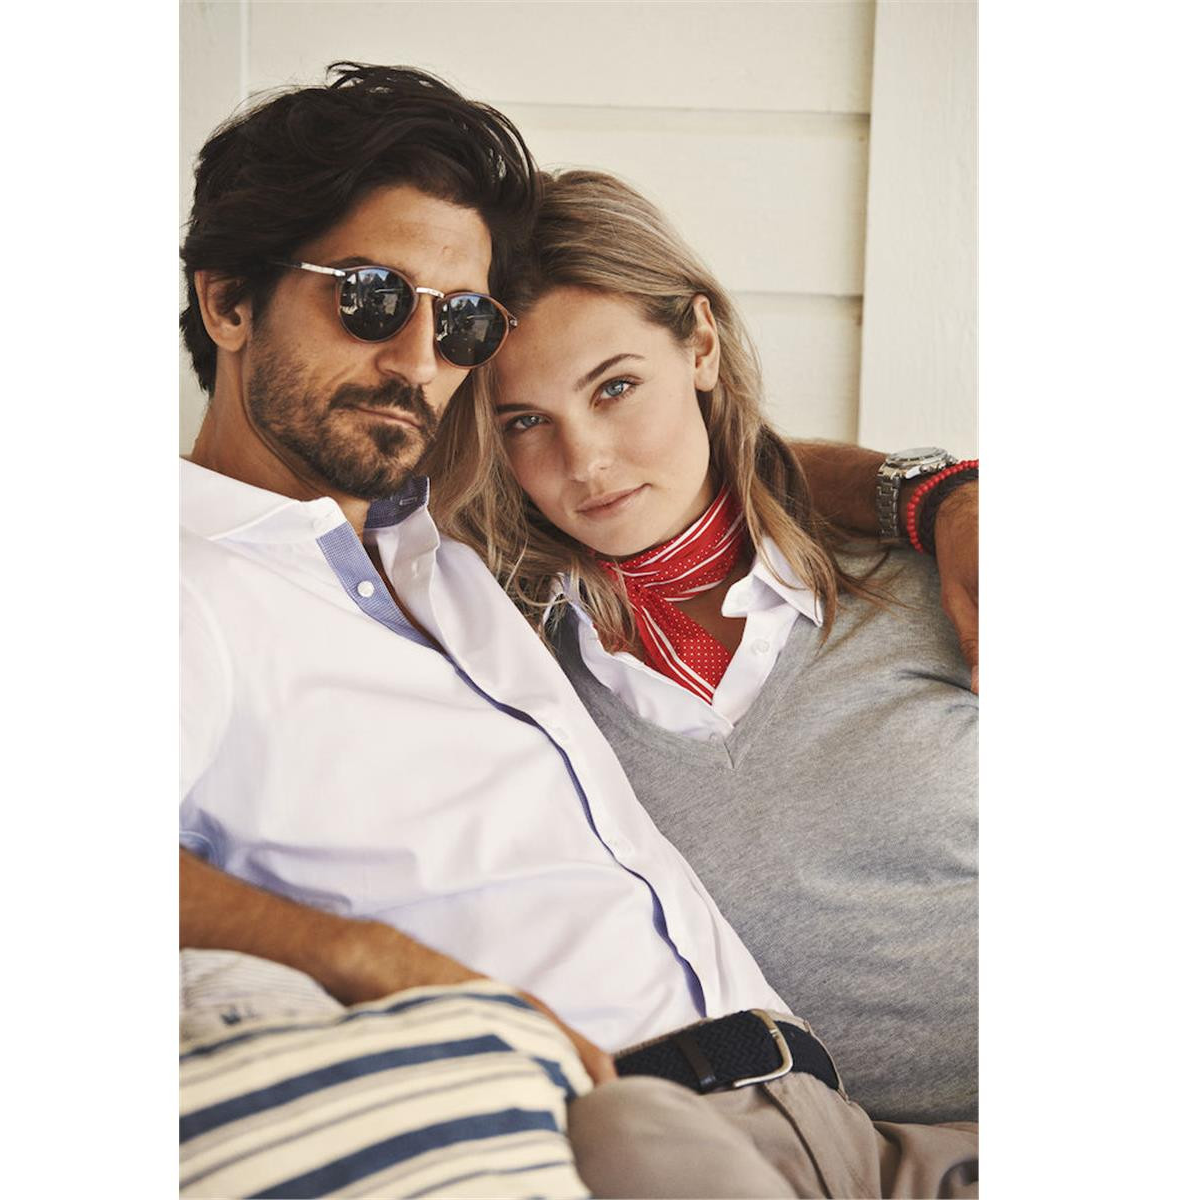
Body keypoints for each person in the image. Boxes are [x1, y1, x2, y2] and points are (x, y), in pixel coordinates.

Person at [180, 62, 978, 1196]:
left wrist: (939, 495)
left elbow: (711, 468)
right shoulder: (177, 584)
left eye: (460, 322)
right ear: (228, 302)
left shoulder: (449, 559)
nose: (417, 360)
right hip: (623, 1127)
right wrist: (383, 966)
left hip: (843, 1128)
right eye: (369, 298)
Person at [429, 168, 977, 1125]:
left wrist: (944, 496)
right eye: (526, 422)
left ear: (702, 345)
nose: (586, 462)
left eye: (616, 387)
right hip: (768, 1155)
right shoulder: (514, 679)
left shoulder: (940, 580)